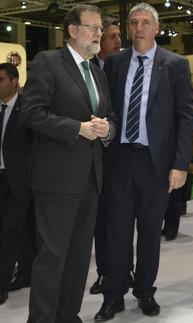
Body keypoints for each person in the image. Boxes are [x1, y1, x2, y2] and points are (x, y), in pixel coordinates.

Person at [95, 2, 193, 321]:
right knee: (116, 233)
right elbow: (105, 109)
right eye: (134, 22)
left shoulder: (175, 64)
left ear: (157, 27)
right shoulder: (114, 64)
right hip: (120, 161)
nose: (139, 28)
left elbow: (185, 118)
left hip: (157, 164)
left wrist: (180, 164)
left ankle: (145, 292)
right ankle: (113, 295)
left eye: (145, 22)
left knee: (150, 232)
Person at [20, 4, 116, 322]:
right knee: (53, 257)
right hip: (56, 179)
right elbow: (31, 112)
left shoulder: (97, 71)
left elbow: (109, 115)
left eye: (100, 28)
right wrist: (77, 128)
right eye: (93, 28)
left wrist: (106, 129)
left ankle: (67, 315)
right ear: (72, 31)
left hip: (91, 178)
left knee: (77, 258)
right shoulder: (49, 62)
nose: (98, 34)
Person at [89, 15, 135, 296]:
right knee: (100, 221)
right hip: (93, 154)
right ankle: (104, 272)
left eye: (120, 36)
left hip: (122, 154)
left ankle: (124, 269)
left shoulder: (129, 66)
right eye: (112, 37)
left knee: (122, 218)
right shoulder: (89, 69)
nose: (119, 41)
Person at [0, 62, 32, 305]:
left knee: (9, 231)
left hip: (20, 182)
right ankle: (25, 273)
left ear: (14, 80)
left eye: (0, 79)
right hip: (1, 180)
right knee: (18, 232)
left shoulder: (27, 108)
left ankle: (2, 285)